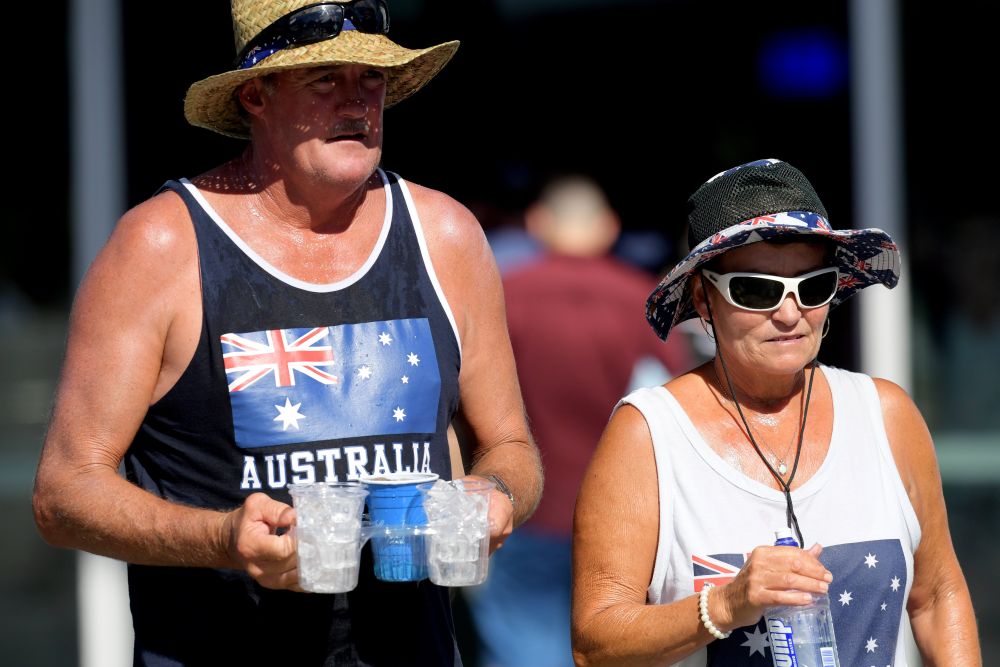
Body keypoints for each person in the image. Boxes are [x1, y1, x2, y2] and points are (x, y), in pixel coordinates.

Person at [32, 1, 542, 665]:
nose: (357, 103)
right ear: (255, 95)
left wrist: (496, 494)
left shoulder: (444, 234)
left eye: (372, 80)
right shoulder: (162, 244)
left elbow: (509, 445)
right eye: (325, 79)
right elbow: (63, 492)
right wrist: (223, 537)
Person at [571, 159, 981, 666]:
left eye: (813, 287)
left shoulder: (886, 414)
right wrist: (725, 603)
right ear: (704, 298)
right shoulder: (650, 434)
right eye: (757, 289)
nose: (789, 313)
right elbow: (594, 644)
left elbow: (939, 595)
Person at [468, 176, 693, 667]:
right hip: (628, 515)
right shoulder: (643, 301)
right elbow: (678, 408)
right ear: (609, 228)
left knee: (521, 652)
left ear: (537, 223)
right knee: (620, 649)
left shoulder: (504, 295)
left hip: (525, 507)